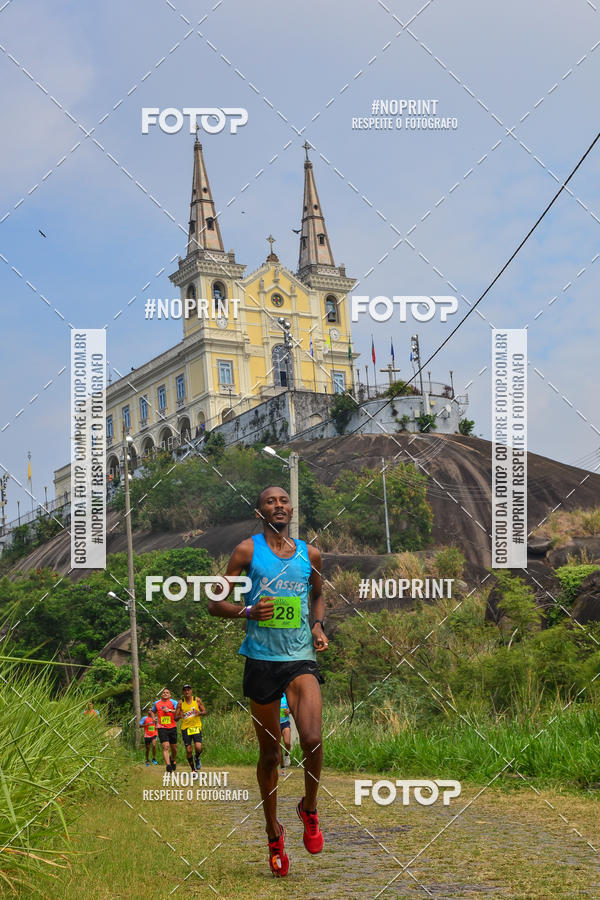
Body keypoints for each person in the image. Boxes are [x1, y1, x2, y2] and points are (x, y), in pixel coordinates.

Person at [208, 485, 329, 878]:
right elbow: (214, 603)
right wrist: (248, 611)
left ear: (291, 509)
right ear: (259, 512)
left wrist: (317, 626)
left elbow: (318, 596)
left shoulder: (310, 554)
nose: (278, 505)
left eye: (283, 500)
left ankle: (309, 809)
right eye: (270, 502)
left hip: (300, 659)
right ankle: (273, 833)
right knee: (271, 756)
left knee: (312, 738)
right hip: (261, 661)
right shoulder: (246, 551)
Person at [176, 684, 206, 772]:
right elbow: (175, 718)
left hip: (196, 726)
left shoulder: (197, 700)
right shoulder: (180, 703)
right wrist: (180, 716)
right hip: (185, 728)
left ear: (191, 691)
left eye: (188, 690)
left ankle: (197, 757)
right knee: (188, 750)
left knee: (198, 747)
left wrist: (199, 713)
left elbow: (204, 711)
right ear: (183, 692)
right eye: (185, 690)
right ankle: (193, 769)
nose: (187, 692)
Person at [153, 688, 178, 772]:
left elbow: (178, 712)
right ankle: (168, 765)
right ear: (161, 694)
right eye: (163, 692)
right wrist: (154, 718)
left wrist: (169, 710)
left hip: (172, 727)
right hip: (162, 728)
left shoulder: (174, 702)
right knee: (165, 747)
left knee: (174, 748)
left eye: (167, 693)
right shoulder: (156, 703)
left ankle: (172, 759)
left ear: (170, 695)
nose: (165, 694)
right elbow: (153, 711)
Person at [280, 692, 291, 774]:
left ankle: (287, 754)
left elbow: (293, 706)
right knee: (278, 747)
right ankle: (282, 767)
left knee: (287, 742)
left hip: (285, 723)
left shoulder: (286, 695)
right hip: (275, 724)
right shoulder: (272, 694)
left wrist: (289, 711)